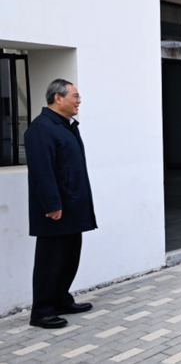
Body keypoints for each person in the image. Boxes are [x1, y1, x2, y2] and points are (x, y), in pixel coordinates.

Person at [25, 79, 97, 328]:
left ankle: (60, 299)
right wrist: (52, 204)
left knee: (68, 258)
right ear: (58, 98)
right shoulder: (42, 128)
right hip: (57, 209)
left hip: (73, 206)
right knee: (50, 261)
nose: (79, 101)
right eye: (75, 96)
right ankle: (41, 311)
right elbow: (42, 171)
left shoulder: (65, 126)